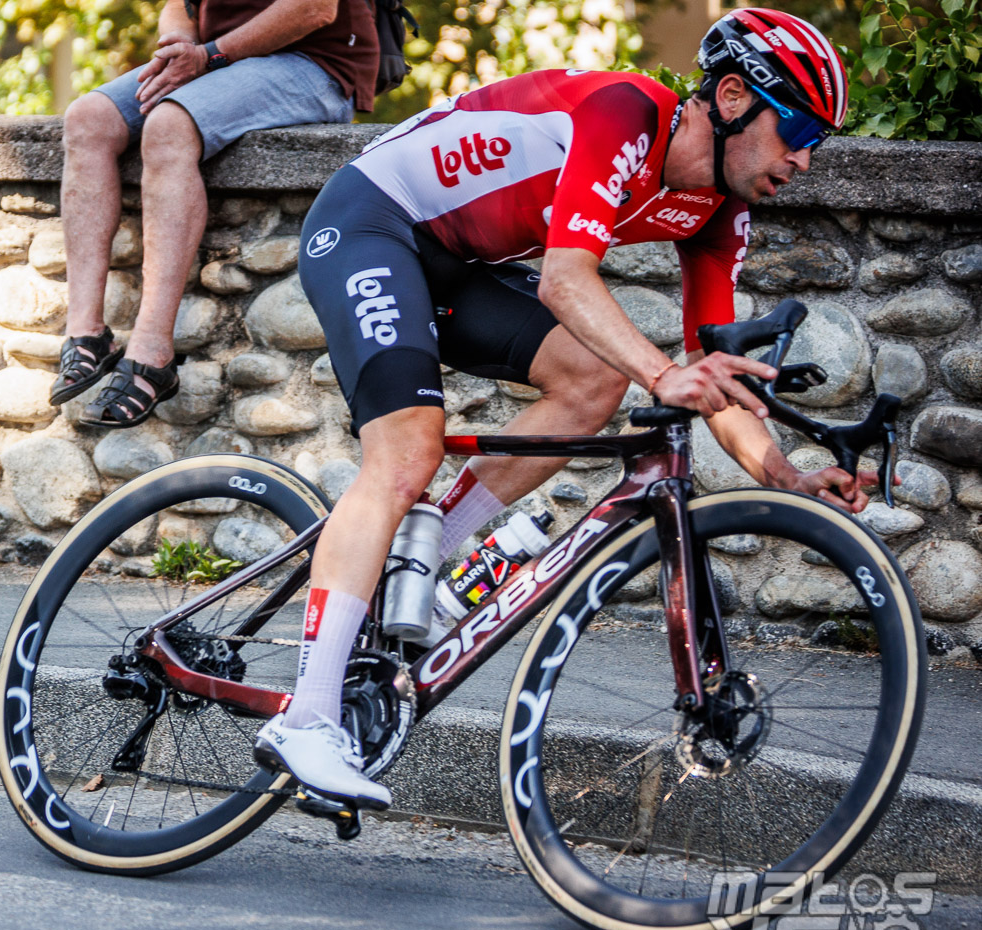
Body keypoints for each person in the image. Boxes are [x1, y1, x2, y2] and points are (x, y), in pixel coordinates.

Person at [255, 9, 871, 809]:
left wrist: (785, 473)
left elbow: (709, 372)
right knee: (407, 453)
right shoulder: (627, 114)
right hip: (374, 221)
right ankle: (305, 719)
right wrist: (663, 373)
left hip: (457, 264)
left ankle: (426, 552)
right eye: (795, 127)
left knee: (592, 381)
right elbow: (564, 279)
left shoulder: (718, 210)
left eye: (816, 139)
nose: (805, 157)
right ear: (729, 98)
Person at [51, 0, 378, 427]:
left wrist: (209, 55)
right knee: (87, 118)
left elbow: (313, 9)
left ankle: (151, 354)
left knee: (169, 125)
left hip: (314, 65)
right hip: (217, 61)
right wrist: (181, 45)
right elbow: (180, 6)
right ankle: (85, 334)